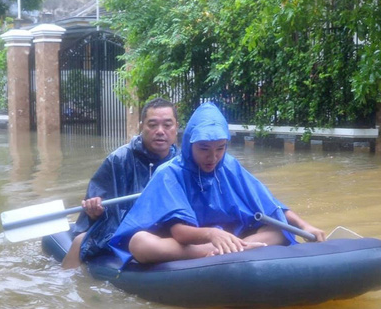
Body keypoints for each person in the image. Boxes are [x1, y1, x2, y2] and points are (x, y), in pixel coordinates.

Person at [109, 102, 326, 265]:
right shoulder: (169, 172)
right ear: (189, 144)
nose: (212, 157)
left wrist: (304, 226)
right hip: (193, 243)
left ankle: (239, 247)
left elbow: (271, 207)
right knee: (140, 243)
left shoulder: (229, 166)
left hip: (234, 238)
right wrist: (212, 235)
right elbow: (179, 232)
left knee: (278, 229)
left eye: (220, 148)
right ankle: (220, 251)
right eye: (204, 149)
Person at [62, 98, 179, 268]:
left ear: (176, 127)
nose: (160, 131)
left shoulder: (183, 164)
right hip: (121, 229)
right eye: (152, 125)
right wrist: (94, 211)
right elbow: (95, 206)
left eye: (167, 125)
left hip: (166, 232)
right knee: (81, 241)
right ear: (141, 127)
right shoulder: (118, 159)